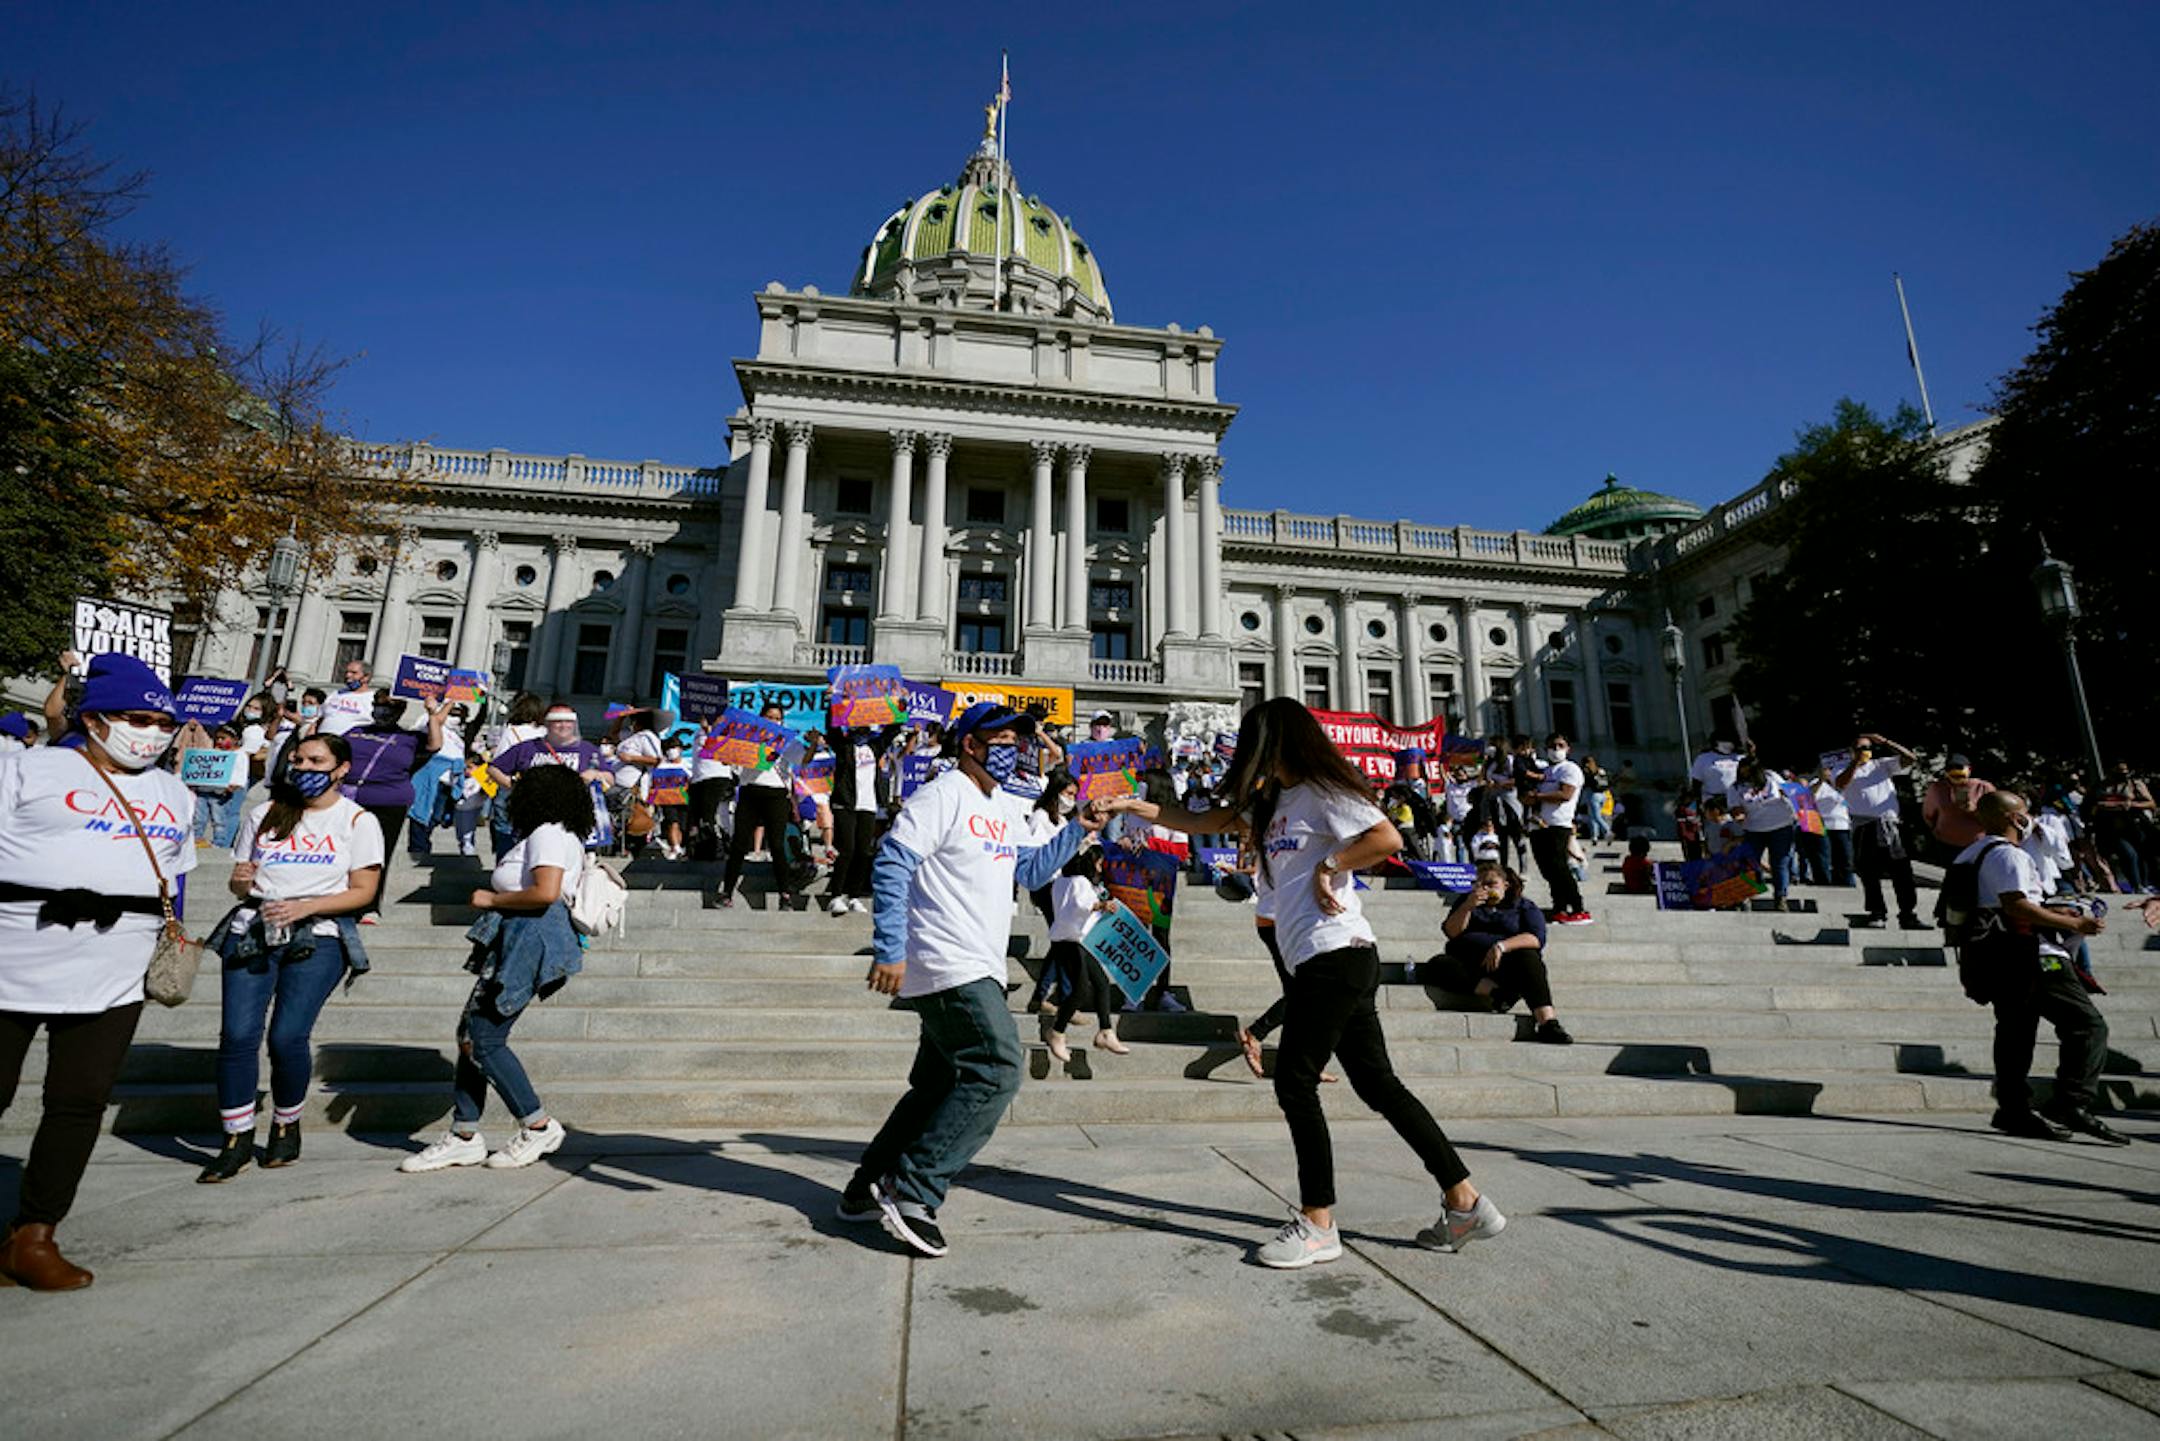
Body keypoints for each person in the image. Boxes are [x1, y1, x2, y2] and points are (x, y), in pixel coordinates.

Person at [1219, 699, 1505, 1269]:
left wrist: (1330, 867)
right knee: (1378, 1085)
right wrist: (1138, 806)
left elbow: (1386, 840)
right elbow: (1203, 822)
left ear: (1280, 742)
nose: (1250, 755)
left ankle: (1319, 1224)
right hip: (1327, 958)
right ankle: (1465, 1200)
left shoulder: (1323, 789)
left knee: (1295, 1083)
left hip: (1336, 953)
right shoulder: (1276, 804)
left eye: (1257, 742)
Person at [833, 702, 1104, 1258]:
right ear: (971, 746)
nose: (1011, 748)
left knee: (935, 1085)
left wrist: (1077, 829)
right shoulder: (941, 795)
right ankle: (914, 1189)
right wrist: (889, 947)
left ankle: (864, 1188)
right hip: (943, 959)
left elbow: (1026, 871)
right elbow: (891, 864)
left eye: (1017, 740)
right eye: (999, 738)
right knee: (998, 1066)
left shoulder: (1003, 806)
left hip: (980, 960)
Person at [0, 654, 195, 1289]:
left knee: (78, 1103)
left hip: (115, 970)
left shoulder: (175, 791)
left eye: (163, 722)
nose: (153, 732)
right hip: (13, 958)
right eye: (138, 718)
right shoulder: (27, 767)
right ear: (95, 718)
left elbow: (174, 877)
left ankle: (35, 1234)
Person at [199, 734, 383, 1183]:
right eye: (298, 759)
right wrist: (243, 883)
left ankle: (286, 1122)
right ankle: (236, 1138)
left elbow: (364, 891)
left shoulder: (358, 820)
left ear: (341, 768)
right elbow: (239, 884)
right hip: (254, 932)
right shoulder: (263, 814)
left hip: (317, 937)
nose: (304, 766)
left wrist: (307, 906)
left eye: (316, 760)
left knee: (287, 1037)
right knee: (238, 1034)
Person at [400, 763, 593, 1173]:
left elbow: (545, 892)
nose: (514, 791)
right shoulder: (555, 833)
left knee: (484, 1037)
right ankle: (464, 1133)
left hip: (530, 934)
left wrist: (491, 900)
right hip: (523, 934)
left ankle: (536, 1124)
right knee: (470, 1032)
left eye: (524, 786)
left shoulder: (547, 833)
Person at [1953, 792, 2123, 1145]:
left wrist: (2054, 911)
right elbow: (2016, 906)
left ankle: (2012, 1109)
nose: (2029, 819)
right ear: (2014, 819)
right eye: (2024, 813)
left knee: (2015, 1032)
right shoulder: (2008, 855)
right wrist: (2076, 925)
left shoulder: (1970, 853)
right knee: (2087, 1026)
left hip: (1995, 957)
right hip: (2032, 956)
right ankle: (2070, 1103)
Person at [1416, 862, 1573, 1043]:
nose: (1485, 889)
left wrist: (1501, 946)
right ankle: (1499, 995)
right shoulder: (1467, 902)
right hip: (1471, 963)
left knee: (1529, 957)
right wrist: (1468, 906)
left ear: (1505, 885)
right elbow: (1452, 932)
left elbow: (1536, 938)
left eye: (1491, 884)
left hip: (1508, 962)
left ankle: (1547, 1022)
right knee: (1439, 964)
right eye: (1479, 884)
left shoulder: (1523, 906)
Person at [342, 690, 449, 922]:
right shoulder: (355, 731)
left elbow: (434, 745)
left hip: (388, 803)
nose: (384, 710)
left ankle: (368, 905)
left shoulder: (409, 738)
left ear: (401, 711)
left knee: (377, 854)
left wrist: (432, 714)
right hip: (348, 799)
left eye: (391, 706)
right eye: (380, 704)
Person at [1041, 846, 1127, 1062]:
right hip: (1071, 942)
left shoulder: (1061, 881)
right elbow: (1081, 904)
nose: (1101, 867)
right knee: (1080, 990)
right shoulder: (1080, 882)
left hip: (1077, 940)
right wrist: (1101, 905)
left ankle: (1106, 1031)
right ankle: (1057, 1031)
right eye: (1099, 863)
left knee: (1100, 983)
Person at [1837, 732, 1924, 929]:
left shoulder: (1881, 765)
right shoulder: (1842, 768)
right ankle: (1877, 912)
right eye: (1860, 748)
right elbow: (1841, 784)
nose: (1864, 752)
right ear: (1852, 751)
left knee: (1901, 871)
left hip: (1890, 824)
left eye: (1867, 748)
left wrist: (1885, 741)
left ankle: (1908, 913)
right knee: (1869, 872)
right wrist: (1854, 764)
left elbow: (1910, 758)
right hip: (1864, 826)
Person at [719, 702, 801, 910]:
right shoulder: (747, 736)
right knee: (739, 844)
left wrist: (814, 743)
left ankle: (785, 895)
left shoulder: (787, 741)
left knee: (776, 845)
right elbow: (726, 758)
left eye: (777, 718)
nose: (773, 721)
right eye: (769, 717)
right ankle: (727, 892)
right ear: (760, 718)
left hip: (776, 794)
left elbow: (803, 759)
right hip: (750, 791)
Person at [822, 726, 894, 913]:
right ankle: (836, 895)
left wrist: (899, 703)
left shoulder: (874, 746)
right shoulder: (844, 745)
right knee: (846, 850)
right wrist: (833, 702)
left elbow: (891, 731)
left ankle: (853, 896)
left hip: (868, 805)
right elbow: (832, 729)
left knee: (863, 852)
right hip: (845, 803)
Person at [1528, 732, 1592, 925]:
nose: (1556, 750)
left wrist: (1538, 797)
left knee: (1559, 867)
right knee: (1548, 870)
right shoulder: (1546, 771)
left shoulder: (1570, 769)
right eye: (1551, 746)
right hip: (1540, 825)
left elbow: (1565, 794)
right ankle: (1560, 906)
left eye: (1560, 745)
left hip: (1559, 824)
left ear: (1567, 748)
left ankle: (1578, 907)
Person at [1725, 755, 1799, 909]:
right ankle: (1746, 895)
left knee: (1779, 863)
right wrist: (1738, 816)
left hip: (1781, 825)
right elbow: (1735, 809)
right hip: (1754, 829)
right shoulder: (1735, 788)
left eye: (1749, 772)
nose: (1745, 776)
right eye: (1742, 772)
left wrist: (1790, 794)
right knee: (1749, 862)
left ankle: (1780, 897)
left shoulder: (1771, 777)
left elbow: (1790, 792)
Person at [2091, 762, 2156, 895]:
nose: (2122, 775)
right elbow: (2093, 805)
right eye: (2119, 772)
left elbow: (2151, 803)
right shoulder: (2101, 787)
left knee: (2142, 855)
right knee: (2128, 854)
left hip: (2134, 826)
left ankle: (2144, 884)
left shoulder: (2135, 784)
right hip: (2112, 828)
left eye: (2125, 772)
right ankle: (2137, 885)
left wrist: (2131, 804)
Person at [1923, 754, 1996, 865]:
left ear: (1969, 769)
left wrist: (1974, 810)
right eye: (1950, 769)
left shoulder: (1984, 787)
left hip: (1976, 844)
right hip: (1946, 843)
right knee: (1952, 876)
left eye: (1959, 768)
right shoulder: (1937, 788)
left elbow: (1994, 817)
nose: (1955, 772)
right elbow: (1928, 814)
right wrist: (1936, 831)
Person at [189, 723, 250, 851]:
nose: (219, 741)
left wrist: (233, 787)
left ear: (235, 740)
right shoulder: (212, 753)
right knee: (199, 818)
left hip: (220, 793)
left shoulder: (240, 755)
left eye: (223, 738)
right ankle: (195, 838)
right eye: (218, 738)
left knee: (219, 820)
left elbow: (241, 775)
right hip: (203, 791)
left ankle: (220, 842)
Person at [647, 738, 694, 861]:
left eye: (674, 748)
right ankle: (675, 847)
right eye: (668, 749)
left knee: (683, 825)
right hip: (667, 800)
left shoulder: (688, 764)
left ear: (681, 749)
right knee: (672, 822)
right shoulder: (661, 765)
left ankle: (679, 847)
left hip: (684, 799)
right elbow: (653, 783)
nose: (671, 751)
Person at [1813, 763, 1855, 887]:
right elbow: (1809, 796)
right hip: (1822, 824)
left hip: (1842, 825)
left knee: (1845, 856)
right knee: (1823, 857)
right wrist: (1821, 780)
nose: (1829, 772)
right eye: (1826, 769)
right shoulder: (1816, 783)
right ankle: (1824, 882)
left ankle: (1846, 882)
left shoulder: (1842, 782)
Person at [316, 660, 376, 737]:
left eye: (353, 673)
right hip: (320, 741)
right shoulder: (336, 694)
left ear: (366, 677)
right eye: (347, 672)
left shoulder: (372, 699)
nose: (348, 675)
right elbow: (319, 718)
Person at [1687, 733, 1741, 803]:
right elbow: (1696, 784)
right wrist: (1699, 802)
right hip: (1713, 801)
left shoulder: (1739, 758)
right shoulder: (1703, 758)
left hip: (1736, 800)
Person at [1578, 756, 1611, 844]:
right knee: (1593, 816)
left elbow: (1585, 783)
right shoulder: (1601, 770)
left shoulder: (1588, 770)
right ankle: (1594, 837)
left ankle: (1607, 831)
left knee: (1596, 816)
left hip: (1593, 795)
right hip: (1603, 795)